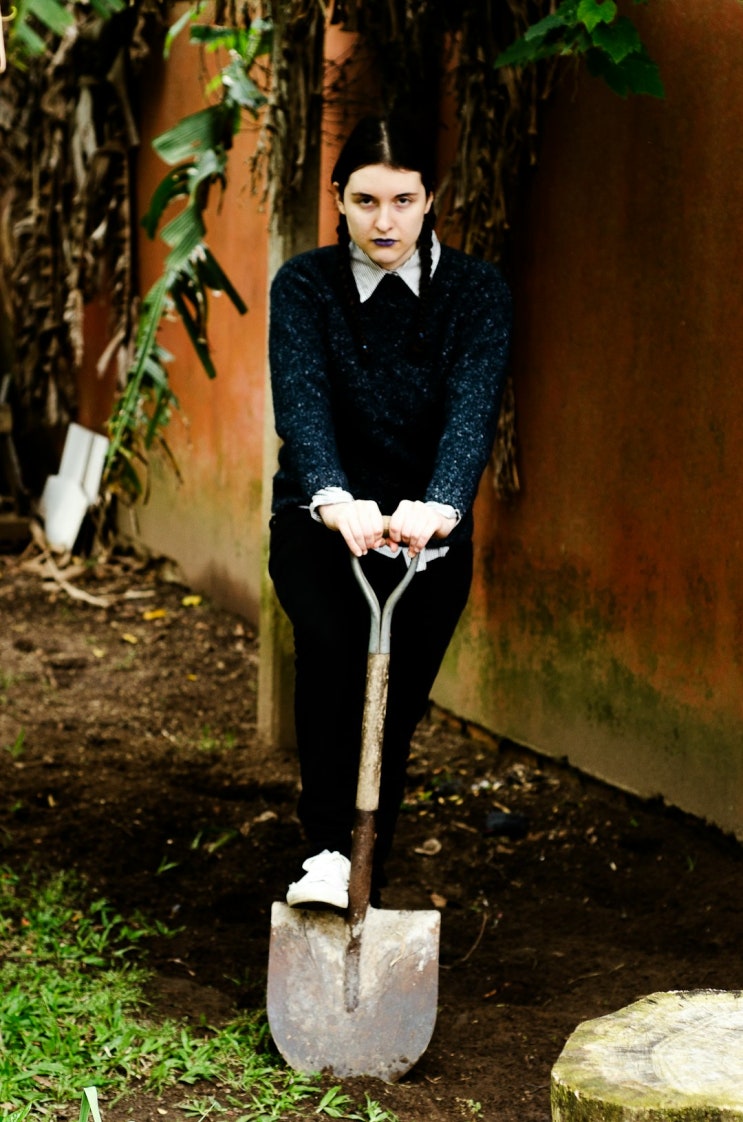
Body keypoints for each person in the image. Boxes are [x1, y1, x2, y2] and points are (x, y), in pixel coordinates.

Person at [267, 113, 512, 910]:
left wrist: (441, 503)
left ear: (429, 199)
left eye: (403, 201)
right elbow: (302, 406)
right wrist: (333, 497)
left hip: (424, 530)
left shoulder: (475, 291)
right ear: (339, 199)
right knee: (331, 661)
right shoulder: (305, 285)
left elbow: (471, 410)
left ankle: (369, 864)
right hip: (322, 522)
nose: (384, 222)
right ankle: (324, 852)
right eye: (365, 201)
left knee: (396, 702)